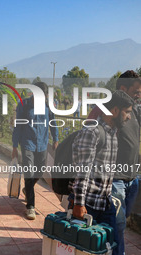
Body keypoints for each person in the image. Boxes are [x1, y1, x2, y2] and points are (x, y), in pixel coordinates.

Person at [72, 90, 134, 255]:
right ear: (114, 111)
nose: (129, 117)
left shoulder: (113, 134)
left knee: (109, 245)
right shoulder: (92, 132)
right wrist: (79, 204)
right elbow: (82, 171)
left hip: (105, 203)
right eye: (127, 112)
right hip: (88, 205)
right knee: (84, 248)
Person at [88, 70, 141, 255]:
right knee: (117, 222)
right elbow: (89, 139)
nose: (139, 94)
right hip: (114, 179)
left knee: (120, 221)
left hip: (133, 177)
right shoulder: (103, 110)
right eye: (136, 91)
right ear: (123, 88)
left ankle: (107, 247)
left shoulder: (133, 109)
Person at [12, 82, 59, 220]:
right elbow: (18, 125)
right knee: (29, 172)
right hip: (27, 143)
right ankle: (30, 206)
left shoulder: (47, 106)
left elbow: (53, 123)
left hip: (43, 144)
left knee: (40, 171)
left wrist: (56, 139)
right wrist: (14, 146)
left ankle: (28, 188)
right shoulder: (24, 105)